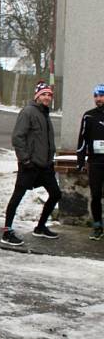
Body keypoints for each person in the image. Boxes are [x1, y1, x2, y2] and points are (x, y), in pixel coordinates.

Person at [1, 81, 62, 245]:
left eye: (49, 95)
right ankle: (7, 232)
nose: (47, 97)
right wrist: (25, 160)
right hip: (30, 165)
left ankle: (40, 227)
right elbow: (17, 138)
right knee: (17, 197)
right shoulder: (28, 112)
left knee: (56, 194)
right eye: (44, 94)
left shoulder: (45, 113)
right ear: (37, 96)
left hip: (45, 166)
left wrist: (50, 159)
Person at [76, 84, 104, 240]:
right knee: (96, 195)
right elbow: (82, 140)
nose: (98, 99)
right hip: (95, 163)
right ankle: (97, 225)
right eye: (96, 96)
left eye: (101, 95)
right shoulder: (89, 116)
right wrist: (80, 161)